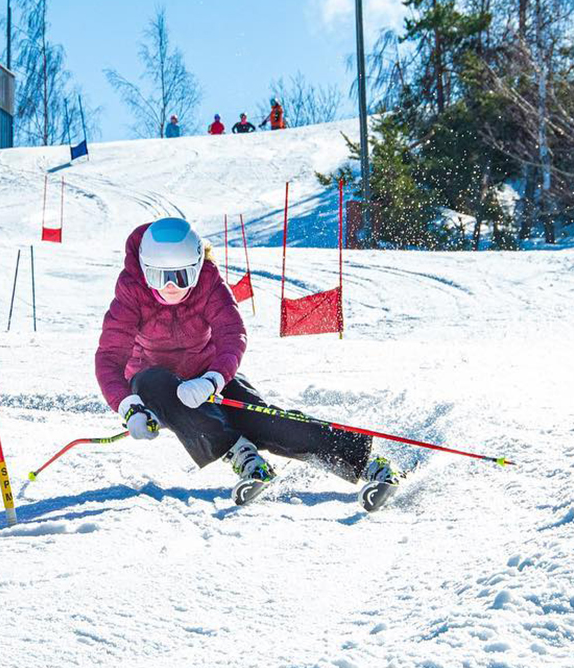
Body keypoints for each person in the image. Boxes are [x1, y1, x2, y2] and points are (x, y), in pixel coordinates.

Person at [94, 216, 400, 509]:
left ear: (198, 267)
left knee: (267, 421)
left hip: (208, 376)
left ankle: (369, 461)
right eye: (159, 276)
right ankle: (242, 455)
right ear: (145, 270)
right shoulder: (132, 294)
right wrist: (129, 407)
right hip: (156, 389)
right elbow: (109, 358)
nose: (170, 286)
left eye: (181, 276)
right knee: (154, 383)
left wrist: (213, 379)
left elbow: (232, 334)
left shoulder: (209, 285)